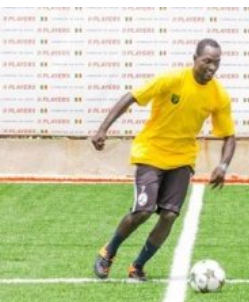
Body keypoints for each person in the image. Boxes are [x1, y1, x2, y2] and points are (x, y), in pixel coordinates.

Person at [91, 38, 235, 282]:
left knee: (169, 215)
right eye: (207, 61)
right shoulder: (172, 80)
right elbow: (132, 97)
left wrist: (223, 165)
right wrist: (103, 129)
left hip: (182, 158)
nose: (212, 67)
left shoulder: (218, 95)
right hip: (151, 152)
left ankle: (137, 266)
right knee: (144, 210)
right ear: (195, 59)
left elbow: (229, 136)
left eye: (217, 63)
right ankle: (109, 251)